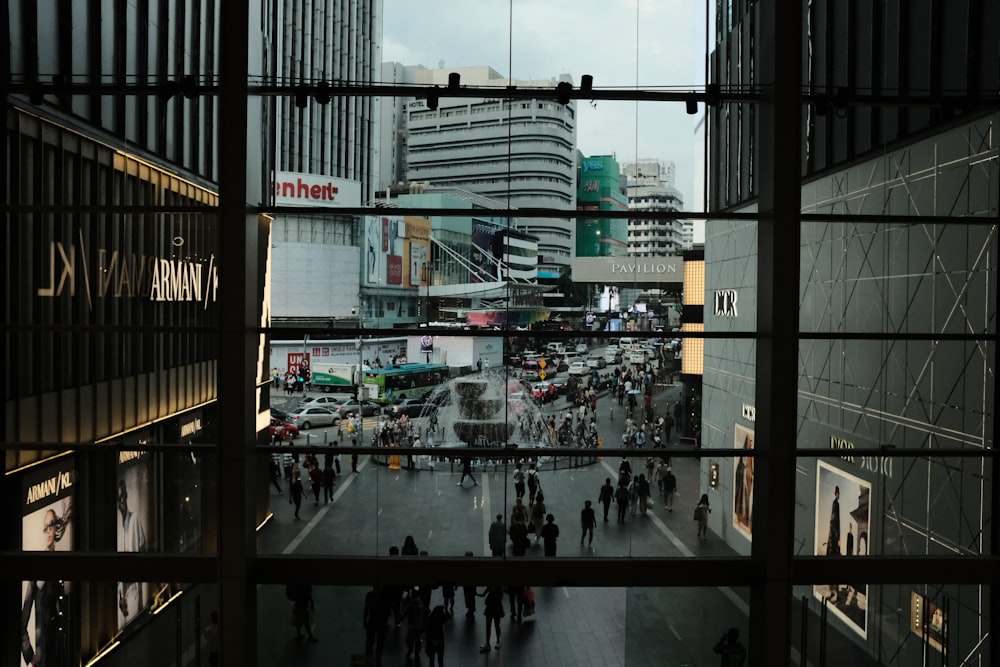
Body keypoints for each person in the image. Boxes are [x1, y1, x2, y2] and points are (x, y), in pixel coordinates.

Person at [21, 505, 71, 667]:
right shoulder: (38, 568)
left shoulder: (61, 565)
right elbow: (23, 620)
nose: (49, 530)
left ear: (56, 527)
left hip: (61, 652)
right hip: (43, 655)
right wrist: (29, 656)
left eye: (51, 525)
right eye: (46, 527)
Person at [117, 478, 148, 623]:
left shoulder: (134, 520)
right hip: (121, 596)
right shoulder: (118, 529)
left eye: (123, 496)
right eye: (119, 498)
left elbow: (142, 548)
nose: (122, 501)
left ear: (127, 495)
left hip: (133, 591)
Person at [478, 585, 505, 651]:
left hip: (493, 606)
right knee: (490, 625)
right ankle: (490, 643)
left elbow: (500, 597)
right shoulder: (495, 587)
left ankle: (495, 642)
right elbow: (483, 594)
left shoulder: (499, 588)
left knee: (495, 625)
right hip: (494, 606)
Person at [403, 589, 426, 659]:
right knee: (417, 640)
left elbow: (406, 612)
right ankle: (417, 652)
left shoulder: (410, 604)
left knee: (409, 639)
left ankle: (410, 650)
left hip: (412, 625)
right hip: (419, 625)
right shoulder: (421, 604)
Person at [462, 551, 477, 618]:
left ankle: (470, 609)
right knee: (471, 597)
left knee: (468, 597)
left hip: (467, 584)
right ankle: (471, 609)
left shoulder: (465, 565)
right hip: (472, 584)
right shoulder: (474, 565)